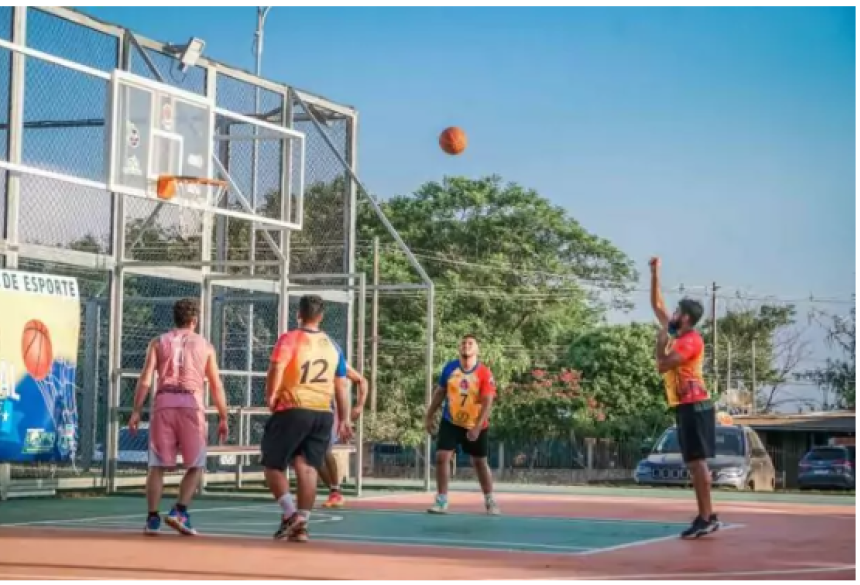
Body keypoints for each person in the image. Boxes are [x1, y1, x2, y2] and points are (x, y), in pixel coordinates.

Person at [129, 298, 229, 537]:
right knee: (196, 464)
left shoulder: (158, 342)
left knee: (157, 465)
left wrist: (136, 410)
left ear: (174, 318)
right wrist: (224, 416)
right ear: (194, 320)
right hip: (191, 406)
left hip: (164, 403)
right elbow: (216, 384)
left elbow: (145, 378)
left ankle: (153, 518)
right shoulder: (205, 345)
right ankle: (180, 510)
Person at [262, 295, 353, 543]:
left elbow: (277, 368)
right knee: (307, 467)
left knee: (272, 465)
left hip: (293, 407)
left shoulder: (290, 339)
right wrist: (343, 418)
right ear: (321, 316)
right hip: (323, 412)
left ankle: (291, 515)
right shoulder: (333, 346)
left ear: (298, 314)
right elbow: (341, 386)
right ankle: (302, 523)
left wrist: (271, 396)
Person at [649, 257, 720, 538]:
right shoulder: (677, 330)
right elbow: (656, 305)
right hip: (684, 405)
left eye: (678, 311)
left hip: (696, 405)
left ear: (686, 318)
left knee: (697, 462)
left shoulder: (691, 340)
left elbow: (664, 364)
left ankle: (707, 517)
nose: (673, 313)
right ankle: (707, 515)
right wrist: (655, 273)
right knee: (693, 462)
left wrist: (659, 342)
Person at [424, 334, 499, 515]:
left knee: (479, 462)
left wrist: (477, 427)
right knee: (442, 457)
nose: (466, 346)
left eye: (470, 343)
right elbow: (440, 392)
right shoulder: (450, 368)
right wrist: (429, 415)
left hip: (476, 422)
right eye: (463, 343)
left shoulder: (484, 373)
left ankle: (490, 500)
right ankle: (442, 499)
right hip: (452, 421)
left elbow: (488, 402)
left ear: (477, 349)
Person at [319, 365, 368, 509]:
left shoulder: (333, 355)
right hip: (306, 408)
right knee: (311, 457)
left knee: (323, 451)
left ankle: (335, 492)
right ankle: (334, 491)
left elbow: (362, 380)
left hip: (327, 411)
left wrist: (359, 406)